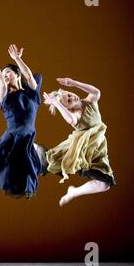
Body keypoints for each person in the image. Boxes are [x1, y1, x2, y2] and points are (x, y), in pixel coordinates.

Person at [0, 44, 43, 198]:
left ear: (17, 75)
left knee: (24, 163)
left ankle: (5, 175)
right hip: (14, 133)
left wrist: (17, 59)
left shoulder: (31, 93)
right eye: (3, 74)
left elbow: (28, 76)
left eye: (8, 73)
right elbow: (1, 85)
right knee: (0, 153)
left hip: (28, 133)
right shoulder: (4, 98)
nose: (5, 76)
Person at [42, 77, 116, 206]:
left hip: (98, 148)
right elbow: (71, 120)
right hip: (83, 150)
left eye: (70, 95)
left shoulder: (89, 102)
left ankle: (74, 192)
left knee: (105, 184)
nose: (73, 98)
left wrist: (73, 83)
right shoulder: (74, 115)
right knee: (51, 159)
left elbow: (96, 92)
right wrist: (57, 103)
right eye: (69, 101)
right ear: (68, 108)